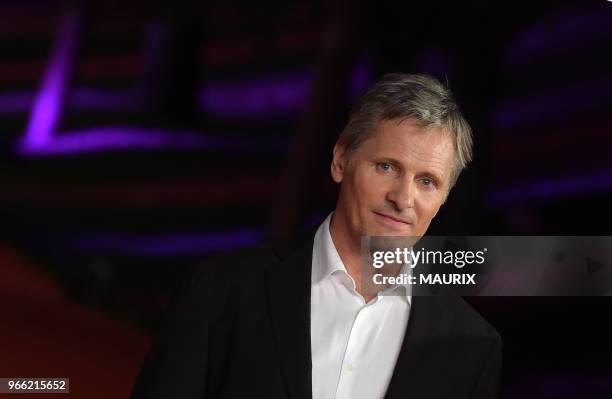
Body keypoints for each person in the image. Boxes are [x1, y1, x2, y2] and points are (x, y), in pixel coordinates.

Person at [131, 73, 502, 399]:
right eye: (386, 167)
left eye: (427, 182)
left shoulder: (472, 347)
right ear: (341, 160)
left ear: (444, 197)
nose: (403, 199)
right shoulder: (221, 290)